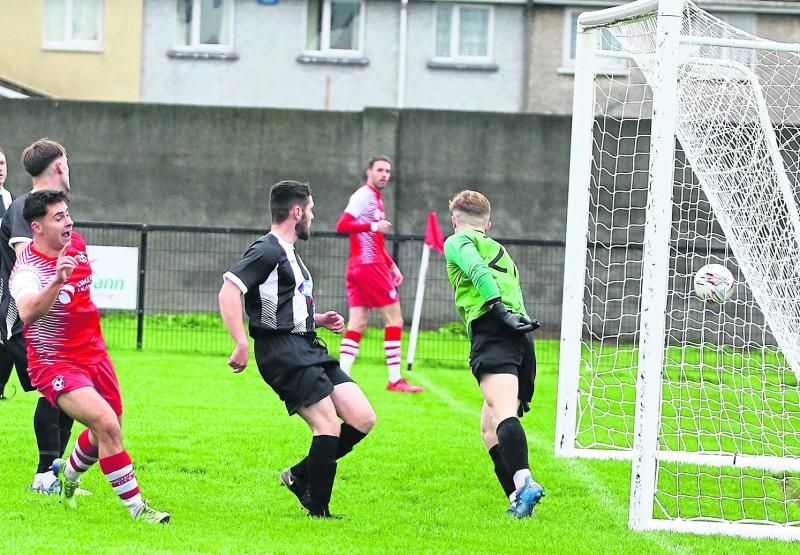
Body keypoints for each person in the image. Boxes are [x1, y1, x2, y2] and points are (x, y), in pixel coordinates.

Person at [9, 190, 170, 523]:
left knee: (105, 434)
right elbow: (26, 313)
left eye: (68, 214)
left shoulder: (77, 244)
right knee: (107, 426)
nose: (68, 222)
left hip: (95, 354)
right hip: (55, 363)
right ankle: (139, 510)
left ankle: (67, 476)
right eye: (58, 218)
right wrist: (56, 281)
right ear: (37, 228)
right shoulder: (27, 269)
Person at [219, 180, 376, 518]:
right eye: (311, 211)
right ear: (296, 212)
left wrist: (316, 319)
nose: (313, 217)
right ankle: (319, 511)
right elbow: (229, 291)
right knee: (328, 425)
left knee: (363, 417)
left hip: (307, 345)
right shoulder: (268, 249)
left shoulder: (289, 253)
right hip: (281, 351)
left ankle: (300, 475)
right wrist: (241, 341)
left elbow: (280, 304)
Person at [443, 190, 545, 518]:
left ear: (454, 219)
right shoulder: (499, 249)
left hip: (496, 328)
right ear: (489, 223)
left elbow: (477, 271)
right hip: (521, 337)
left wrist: (496, 309)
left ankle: (524, 481)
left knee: (502, 414)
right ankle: (518, 501)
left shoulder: (457, 240)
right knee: (488, 426)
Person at [0, 139, 76, 494]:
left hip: (49, 318)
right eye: (67, 162)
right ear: (60, 167)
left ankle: (53, 475)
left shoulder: (53, 208)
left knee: (67, 390)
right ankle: (45, 475)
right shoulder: (24, 208)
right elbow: (27, 262)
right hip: (24, 318)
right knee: (56, 389)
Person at [335, 156, 423, 393]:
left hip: (359, 267)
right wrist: (374, 226)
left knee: (358, 322)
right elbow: (342, 226)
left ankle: (340, 377)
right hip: (368, 266)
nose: (384, 175)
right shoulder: (364, 195)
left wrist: (392, 265)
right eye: (380, 170)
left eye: (388, 171)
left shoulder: (375, 198)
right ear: (369, 172)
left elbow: (374, 241)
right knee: (394, 320)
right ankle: (395, 380)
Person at [0, 147, 17, 400]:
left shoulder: (8, 197)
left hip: (6, 274)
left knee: (9, 331)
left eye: (2, 163)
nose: (0, 168)